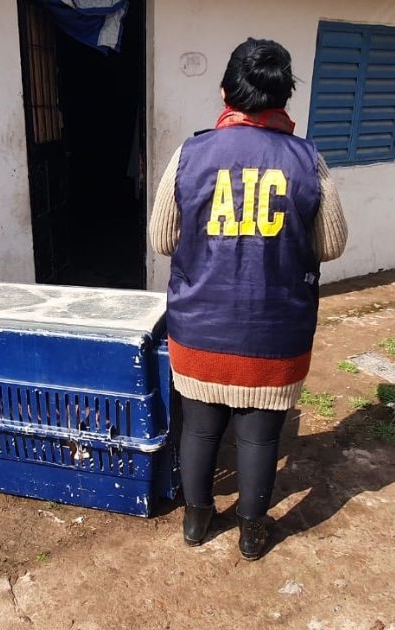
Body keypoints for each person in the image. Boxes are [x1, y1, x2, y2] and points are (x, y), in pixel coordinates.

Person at [149, 37, 347, 560]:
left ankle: (196, 521)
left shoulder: (190, 154)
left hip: (199, 328)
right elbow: (332, 244)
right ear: (284, 97)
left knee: (200, 430)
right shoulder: (308, 160)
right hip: (276, 333)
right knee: (260, 438)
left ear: (225, 92)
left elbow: (162, 239)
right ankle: (252, 531)